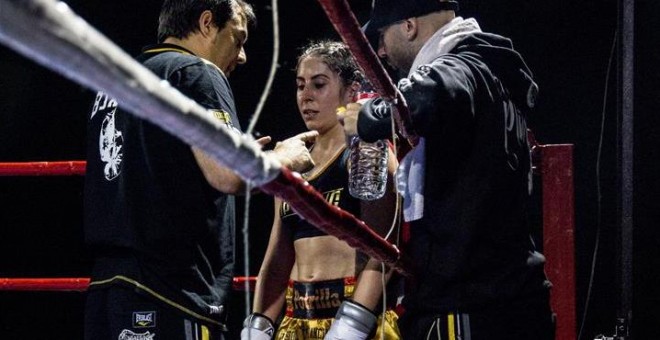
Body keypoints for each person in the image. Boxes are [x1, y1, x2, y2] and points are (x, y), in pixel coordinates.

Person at [83, 1, 317, 339]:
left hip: (108, 289)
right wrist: (283, 156)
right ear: (207, 23)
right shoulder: (196, 72)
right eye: (237, 39)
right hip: (170, 291)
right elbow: (229, 174)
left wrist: (236, 147)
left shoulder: (119, 79)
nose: (242, 56)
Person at [337, 0, 555, 339]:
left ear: (408, 26)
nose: (379, 51)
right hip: (506, 298)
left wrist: (366, 117)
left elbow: (427, 96)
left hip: (468, 302)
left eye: (382, 36)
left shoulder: (461, 66)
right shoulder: (490, 71)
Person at [240, 40, 402, 340]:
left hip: (353, 314)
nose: (306, 96)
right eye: (301, 86)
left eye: (319, 84)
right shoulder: (292, 156)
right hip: (295, 321)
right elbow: (277, 256)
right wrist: (258, 326)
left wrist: (351, 326)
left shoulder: (365, 153)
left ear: (351, 91)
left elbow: (384, 248)